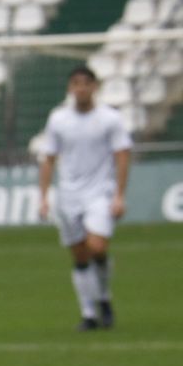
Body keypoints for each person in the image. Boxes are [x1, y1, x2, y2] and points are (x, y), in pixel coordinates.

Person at [38, 65, 132, 331]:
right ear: (70, 88)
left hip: (99, 192)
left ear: (94, 87)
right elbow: (49, 159)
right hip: (68, 195)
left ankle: (104, 298)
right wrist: (43, 196)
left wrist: (119, 195)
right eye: (76, 83)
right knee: (80, 256)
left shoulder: (110, 119)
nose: (80, 88)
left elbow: (122, 155)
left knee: (98, 247)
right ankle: (89, 313)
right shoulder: (58, 119)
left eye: (85, 83)